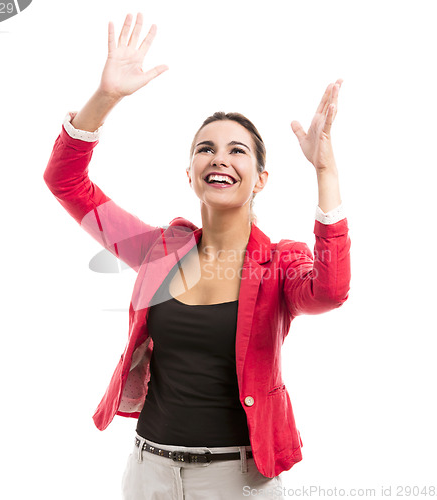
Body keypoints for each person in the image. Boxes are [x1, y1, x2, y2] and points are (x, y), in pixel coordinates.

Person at [43, 12, 351, 500]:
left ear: (260, 178)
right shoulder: (157, 250)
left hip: (239, 481)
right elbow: (65, 183)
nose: (219, 158)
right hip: (149, 475)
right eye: (205, 149)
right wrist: (105, 99)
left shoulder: (280, 264)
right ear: (190, 174)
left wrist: (325, 172)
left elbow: (330, 293)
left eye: (237, 150)